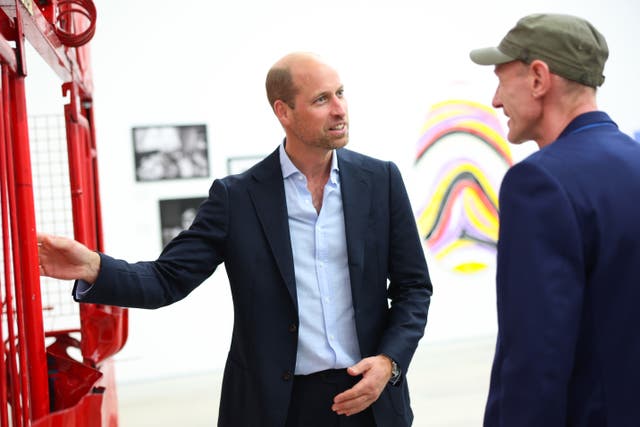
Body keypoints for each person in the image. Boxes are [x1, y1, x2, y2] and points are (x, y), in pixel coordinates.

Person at [38, 52, 432, 427]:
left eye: (341, 93)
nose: (340, 109)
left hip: (371, 399)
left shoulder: (380, 181)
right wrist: (93, 267)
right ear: (284, 111)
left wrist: (390, 362)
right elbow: (166, 279)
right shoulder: (238, 198)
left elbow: (413, 287)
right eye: (321, 99)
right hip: (277, 407)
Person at [469, 13, 640, 426]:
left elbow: (534, 358)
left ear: (538, 79)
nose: (494, 100)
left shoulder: (539, 183)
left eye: (501, 79)